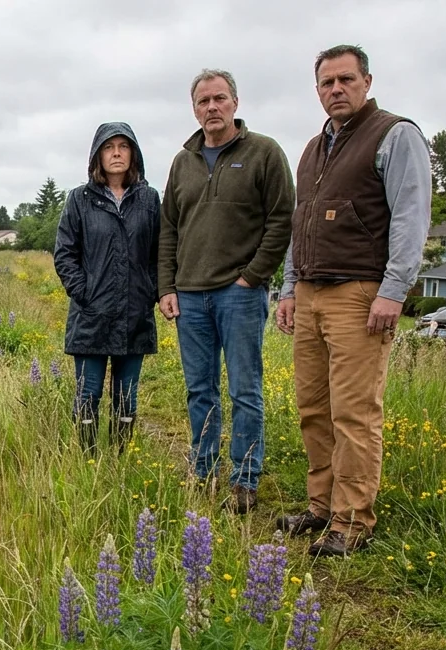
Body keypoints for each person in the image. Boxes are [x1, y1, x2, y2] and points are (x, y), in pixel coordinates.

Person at [275, 45, 431, 556]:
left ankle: (352, 521)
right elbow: (301, 226)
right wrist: (290, 288)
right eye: (326, 82)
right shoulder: (313, 150)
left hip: (360, 295)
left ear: (366, 81)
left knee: (354, 412)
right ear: (317, 90)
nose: (335, 89)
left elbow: (411, 216)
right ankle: (321, 506)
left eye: (345, 79)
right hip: (313, 293)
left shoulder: (393, 134)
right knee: (313, 408)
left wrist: (394, 290)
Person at [158, 69, 294, 514]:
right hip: (190, 295)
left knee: (245, 389)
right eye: (203, 101)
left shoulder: (264, 153)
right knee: (200, 390)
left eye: (219, 99)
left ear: (235, 102)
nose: (211, 108)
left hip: (239, 294)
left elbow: (280, 220)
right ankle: (204, 470)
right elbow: (168, 230)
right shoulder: (183, 162)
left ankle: (245, 479)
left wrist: (252, 276)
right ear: (194, 109)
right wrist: (166, 286)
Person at [53, 122, 161, 454]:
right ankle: (87, 461)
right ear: (97, 155)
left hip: (135, 315)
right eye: (108, 147)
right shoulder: (79, 200)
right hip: (92, 317)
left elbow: (162, 252)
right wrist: (85, 293)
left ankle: (119, 459)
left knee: (126, 396)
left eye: (123, 146)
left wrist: (149, 292)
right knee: (88, 395)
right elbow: (65, 253)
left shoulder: (149, 199)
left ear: (134, 153)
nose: (116, 153)